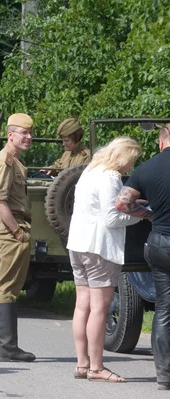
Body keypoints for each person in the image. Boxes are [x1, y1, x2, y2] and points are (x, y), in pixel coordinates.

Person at [67, 136, 144, 382]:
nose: (130, 168)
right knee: (100, 308)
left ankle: (82, 364)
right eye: (130, 162)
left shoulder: (90, 171)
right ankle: (97, 367)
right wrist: (141, 215)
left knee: (82, 306)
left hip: (77, 244)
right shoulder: (111, 177)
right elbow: (112, 219)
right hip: (99, 248)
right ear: (122, 157)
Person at [115, 125, 170, 390]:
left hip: (159, 244)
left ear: (161, 143)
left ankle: (164, 375)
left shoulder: (146, 168)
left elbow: (121, 204)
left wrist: (148, 214)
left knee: (163, 309)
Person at [0, 113, 36, 363]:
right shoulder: (5, 161)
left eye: (30, 133)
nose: (29, 137)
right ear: (10, 134)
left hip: (9, 228)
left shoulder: (11, 160)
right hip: (10, 228)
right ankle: (7, 346)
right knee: (8, 288)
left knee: (0, 285)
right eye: (23, 133)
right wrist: (17, 231)